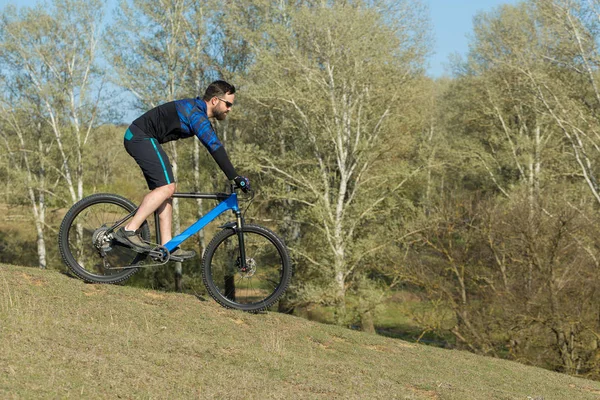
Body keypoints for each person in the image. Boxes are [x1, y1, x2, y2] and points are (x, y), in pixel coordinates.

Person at [114, 80, 249, 259]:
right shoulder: (196, 115)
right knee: (167, 188)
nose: (230, 109)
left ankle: (167, 245)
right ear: (215, 101)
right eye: (228, 104)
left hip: (144, 138)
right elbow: (214, 146)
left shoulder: (196, 110)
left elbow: (214, 145)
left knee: (167, 189)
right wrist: (235, 177)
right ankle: (128, 230)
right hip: (140, 137)